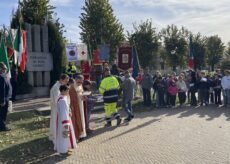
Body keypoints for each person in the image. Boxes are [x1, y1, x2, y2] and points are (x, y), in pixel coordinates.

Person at [56, 85, 77, 154]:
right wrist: (66, 123)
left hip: (63, 119)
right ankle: (63, 150)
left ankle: (66, 148)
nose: (68, 92)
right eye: (67, 90)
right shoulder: (62, 100)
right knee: (64, 135)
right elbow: (63, 112)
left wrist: (69, 111)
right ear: (63, 91)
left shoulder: (61, 97)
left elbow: (66, 108)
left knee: (65, 135)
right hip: (64, 121)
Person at [49, 74, 69, 145]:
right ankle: (55, 138)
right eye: (66, 80)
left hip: (61, 109)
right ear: (61, 79)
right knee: (56, 124)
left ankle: (59, 137)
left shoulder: (60, 86)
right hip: (57, 109)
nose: (67, 82)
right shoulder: (56, 87)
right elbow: (56, 100)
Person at [73, 74, 87, 139]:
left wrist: (84, 97)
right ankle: (77, 135)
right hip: (75, 106)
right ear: (75, 80)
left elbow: (82, 92)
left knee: (82, 119)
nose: (80, 83)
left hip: (80, 104)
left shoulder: (80, 85)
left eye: (82, 82)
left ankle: (82, 134)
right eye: (79, 82)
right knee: (77, 120)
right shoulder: (72, 87)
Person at [0, 62, 11, 132]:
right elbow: (2, 90)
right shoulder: (1, 78)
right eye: (4, 69)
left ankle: (2, 126)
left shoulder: (3, 77)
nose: (5, 70)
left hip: (5, 98)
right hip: (3, 99)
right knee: (2, 114)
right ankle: (3, 127)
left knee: (3, 114)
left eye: (5, 69)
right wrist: (2, 101)